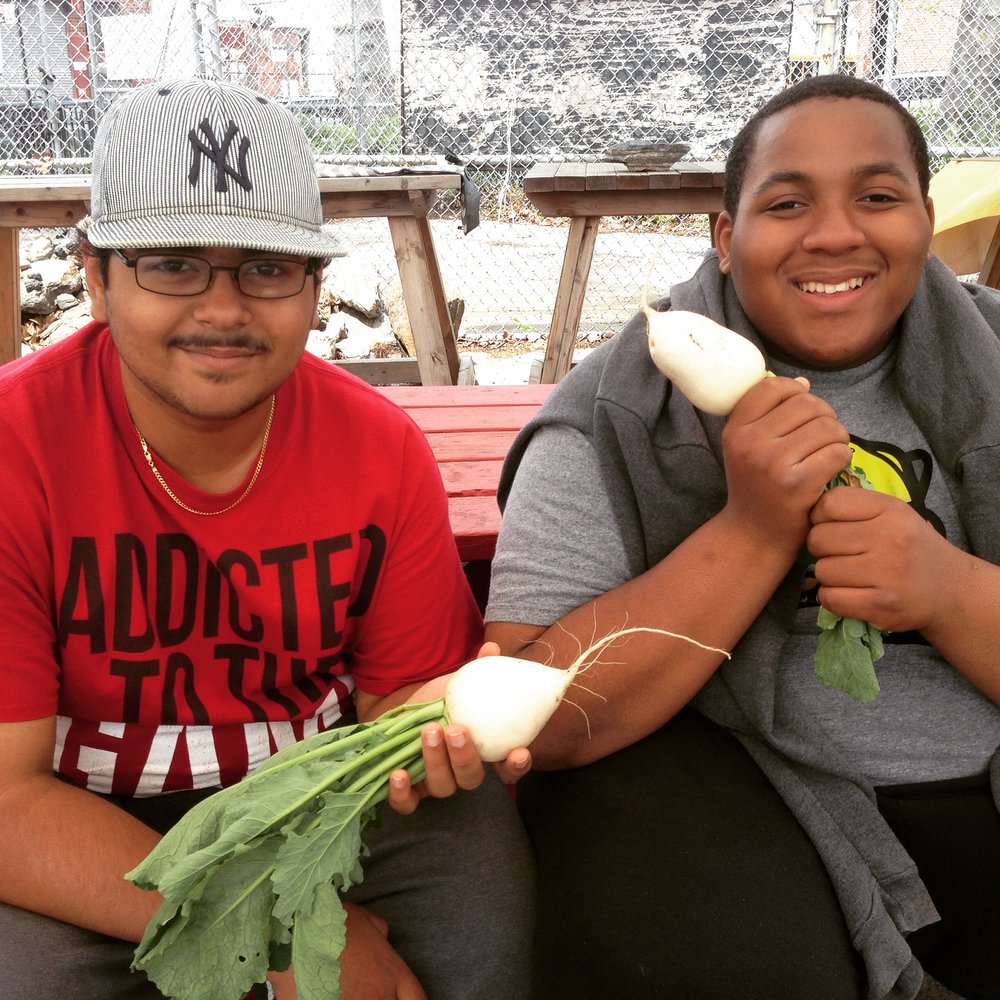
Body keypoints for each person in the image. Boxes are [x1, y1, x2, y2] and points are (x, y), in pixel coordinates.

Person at [0, 77, 534, 1000]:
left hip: (322, 795)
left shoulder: (377, 446)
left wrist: (439, 725)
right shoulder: (16, 447)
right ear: (94, 275)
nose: (221, 309)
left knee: (474, 933)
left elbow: (395, 701)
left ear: (314, 287)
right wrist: (264, 928)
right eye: (171, 263)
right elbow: (4, 802)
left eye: (265, 266)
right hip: (79, 807)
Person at [485, 74, 1000, 1000]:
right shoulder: (614, 412)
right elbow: (536, 715)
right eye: (787, 202)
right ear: (727, 239)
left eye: (878, 197)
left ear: (927, 218)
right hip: (743, 799)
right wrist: (753, 532)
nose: (835, 232)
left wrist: (953, 592)